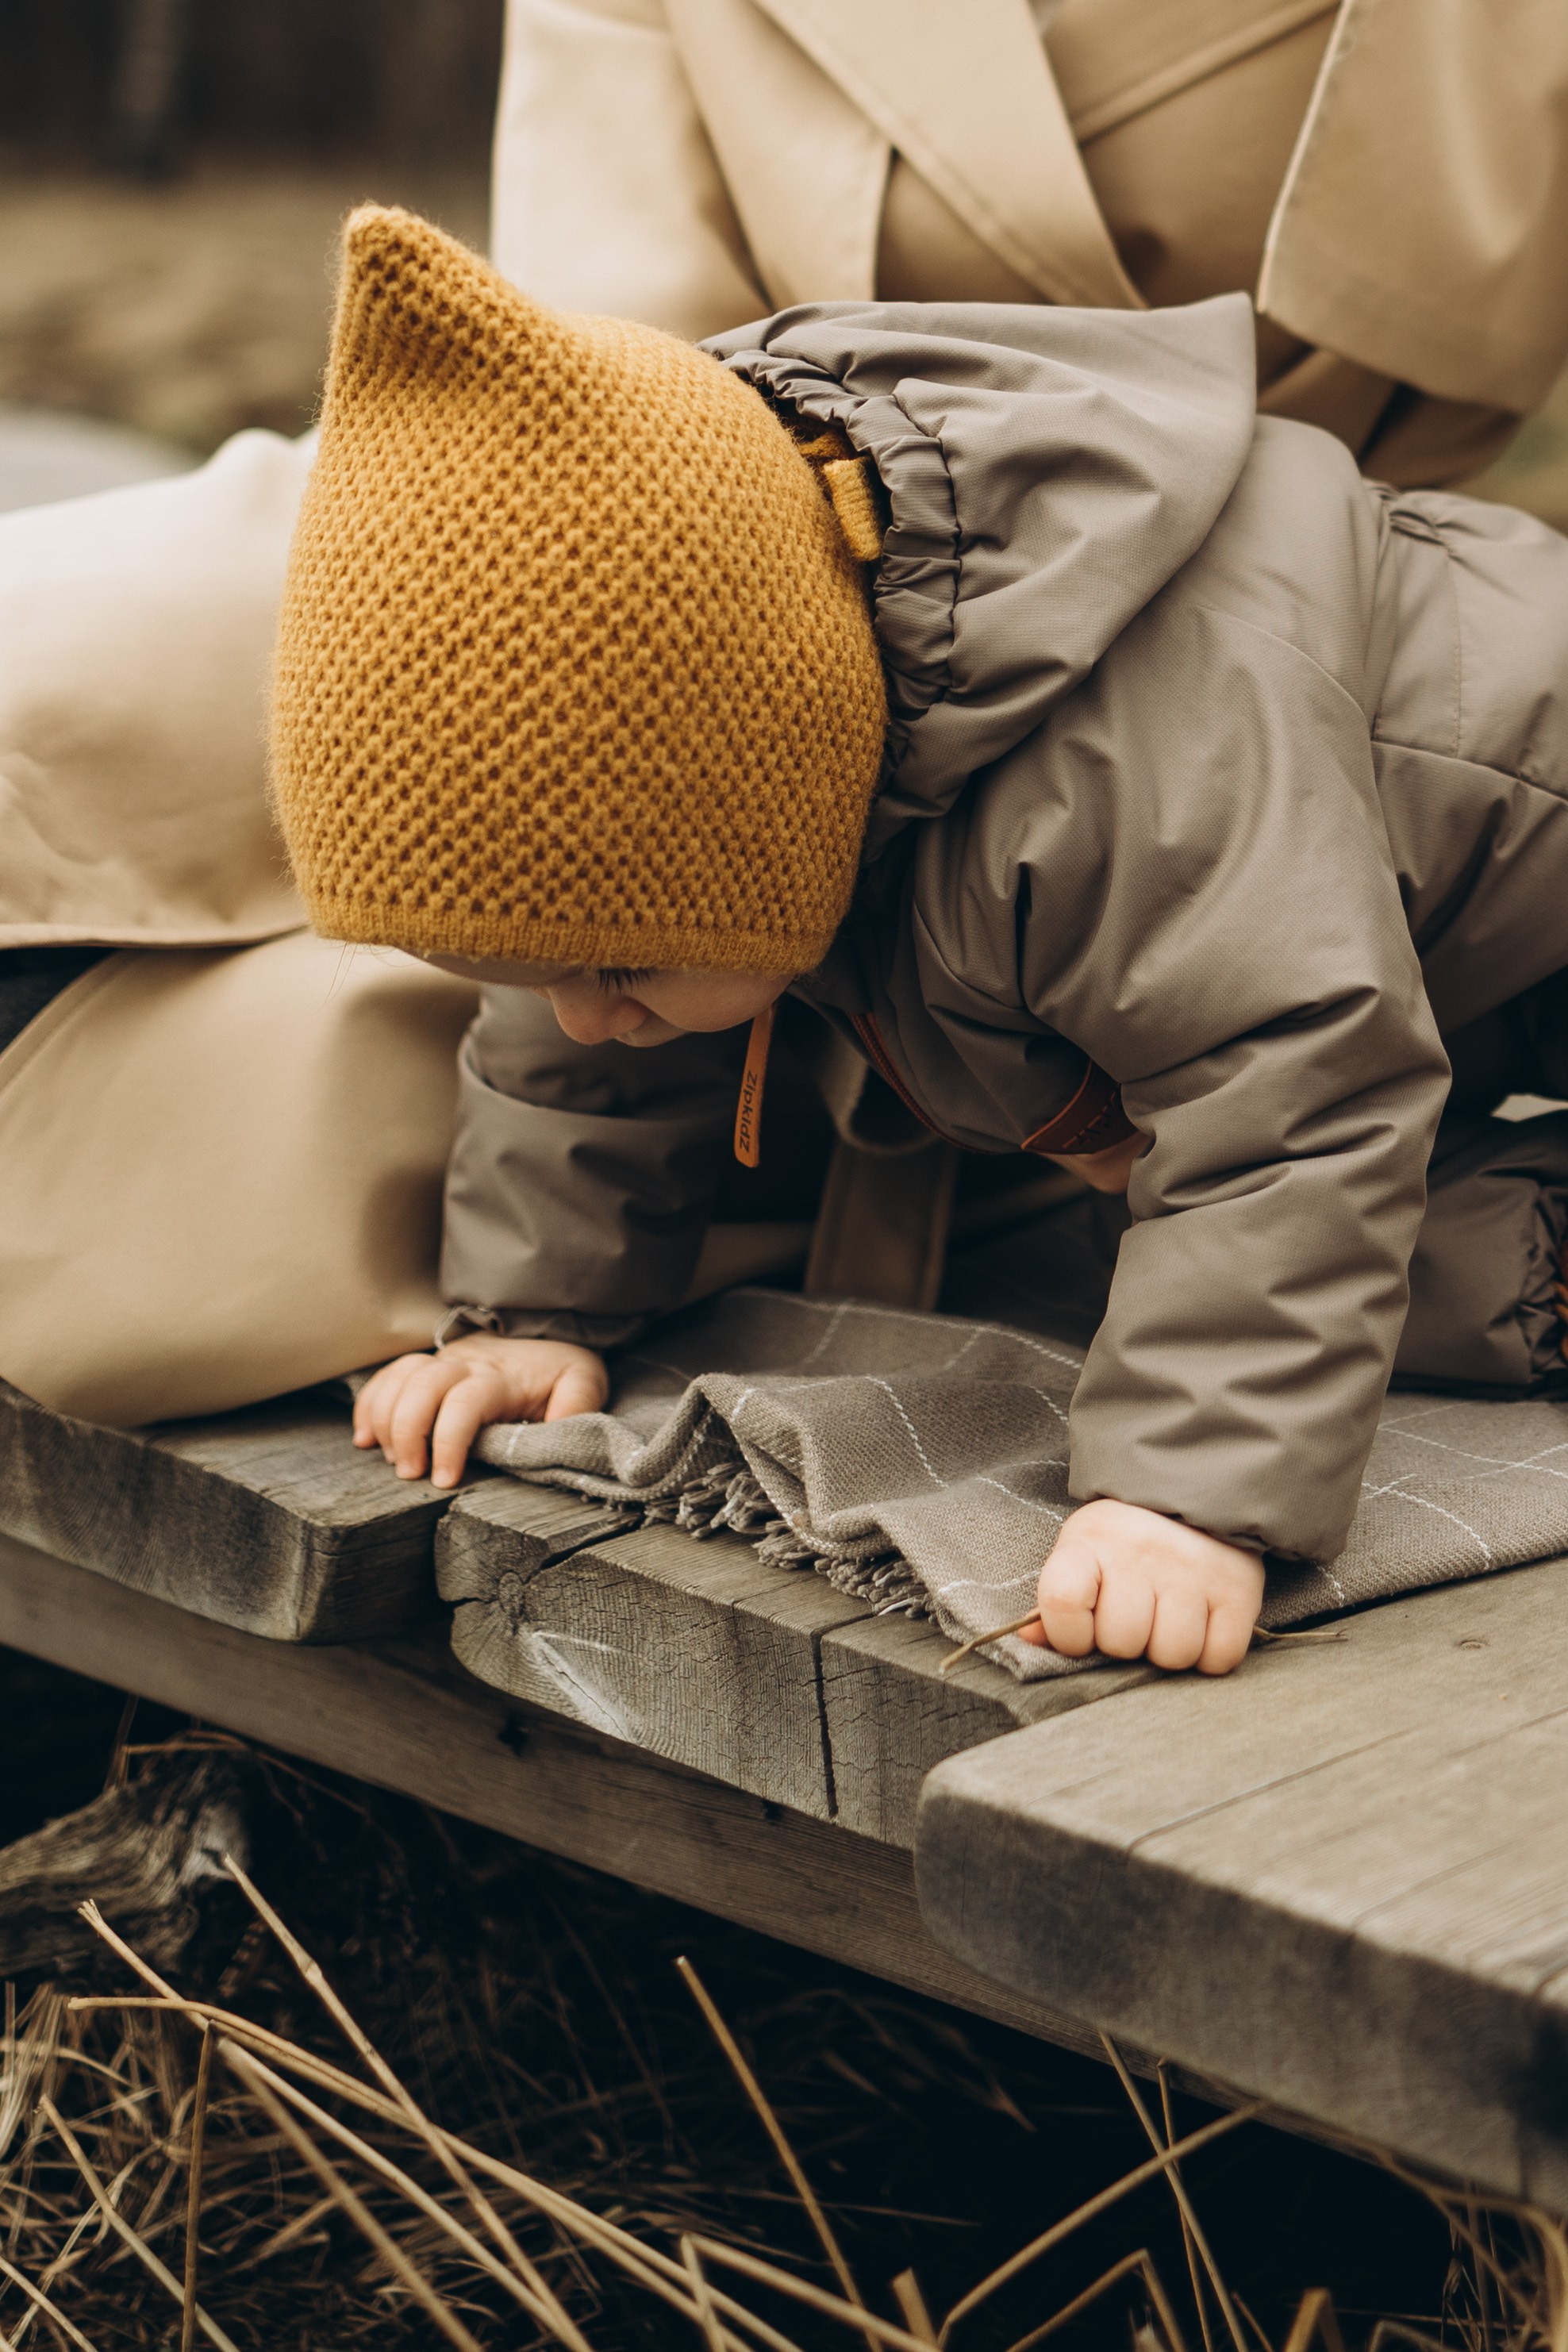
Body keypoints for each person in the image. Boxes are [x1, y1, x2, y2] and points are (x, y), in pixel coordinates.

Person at [273, 207, 1568, 1675]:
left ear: (772, 801)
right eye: (531, 971)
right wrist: (531, 1308)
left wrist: (1185, 1500)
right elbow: (580, 1038)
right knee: (1336, 1265)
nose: (579, 1014)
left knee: (1269, 1220)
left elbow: (1291, 1088)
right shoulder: (762, 714)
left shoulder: (1116, 782)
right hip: (1394, 946)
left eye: (617, 967)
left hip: (1507, 874)